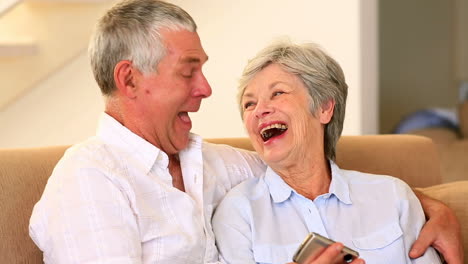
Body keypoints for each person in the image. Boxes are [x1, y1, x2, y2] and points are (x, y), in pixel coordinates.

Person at [28, 0, 462, 263]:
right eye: (188, 72)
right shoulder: (89, 182)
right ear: (130, 80)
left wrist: (432, 205)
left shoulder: (213, 162)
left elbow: (305, 171)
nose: (207, 89)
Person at [212, 41, 447, 264]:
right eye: (249, 104)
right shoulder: (238, 213)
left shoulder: (394, 197)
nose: (260, 110)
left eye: (278, 93)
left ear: (325, 108)